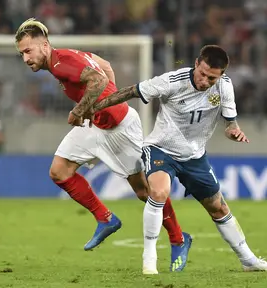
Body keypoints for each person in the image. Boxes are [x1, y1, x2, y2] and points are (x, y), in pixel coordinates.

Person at [14, 18, 192, 271]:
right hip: (97, 125)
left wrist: (80, 109)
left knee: (144, 191)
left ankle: (179, 239)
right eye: (22, 53)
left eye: (28, 51)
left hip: (120, 127)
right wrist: (103, 103)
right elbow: (105, 67)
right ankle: (105, 218)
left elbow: (97, 81)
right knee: (59, 171)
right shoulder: (67, 58)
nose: (25, 58)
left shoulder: (62, 62)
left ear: (44, 46)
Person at [88, 45, 267, 274]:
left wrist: (233, 130)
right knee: (159, 193)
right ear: (196, 63)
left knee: (219, 208)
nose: (204, 81)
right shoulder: (172, 81)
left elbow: (230, 123)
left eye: (212, 78)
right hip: (161, 149)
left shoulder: (224, 87)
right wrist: (94, 107)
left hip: (195, 156)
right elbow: (132, 91)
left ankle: (248, 260)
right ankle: (149, 260)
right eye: (202, 74)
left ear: (221, 75)